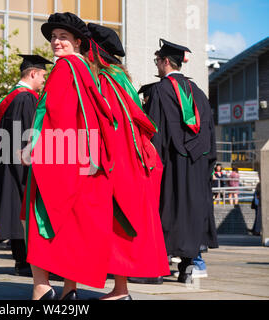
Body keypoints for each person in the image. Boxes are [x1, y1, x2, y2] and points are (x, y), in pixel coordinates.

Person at [20, 12, 116, 300]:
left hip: (60, 156)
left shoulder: (64, 68)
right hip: (84, 157)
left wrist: (32, 146)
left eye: (63, 37)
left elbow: (53, 112)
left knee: (38, 218)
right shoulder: (88, 70)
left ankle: (41, 287)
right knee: (73, 225)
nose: (56, 42)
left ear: (77, 41)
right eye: (53, 37)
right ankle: (69, 290)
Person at [87, 23, 169, 295]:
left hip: (120, 165)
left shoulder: (106, 82)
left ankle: (120, 290)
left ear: (96, 53)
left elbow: (112, 128)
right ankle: (119, 289)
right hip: (135, 163)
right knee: (124, 227)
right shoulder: (122, 79)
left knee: (119, 227)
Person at [144, 39, 218, 283]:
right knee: (191, 211)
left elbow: (153, 131)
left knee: (167, 208)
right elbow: (209, 132)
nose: (156, 64)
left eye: (157, 60)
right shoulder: (199, 93)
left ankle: (158, 266)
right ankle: (189, 265)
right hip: (196, 165)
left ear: (166, 61)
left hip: (170, 165)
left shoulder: (158, 91)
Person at [0, 54, 52, 276]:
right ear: (33, 73)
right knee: (24, 211)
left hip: (10, 162)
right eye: (43, 76)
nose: (44, 81)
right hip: (21, 166)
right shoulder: (26, 99)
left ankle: (22, 261)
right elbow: (29, 136)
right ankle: (26, 263)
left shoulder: (13, 98)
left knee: (17, 211)